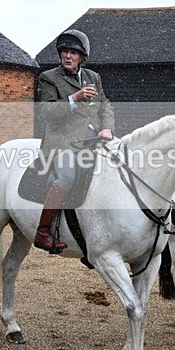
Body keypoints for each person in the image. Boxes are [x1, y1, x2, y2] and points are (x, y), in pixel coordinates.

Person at [33, 29, 115, 253]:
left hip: (93, 139)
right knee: (67, 177)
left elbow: (105, 105)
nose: (68, 56)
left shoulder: (93, 77)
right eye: (65, 52)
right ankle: (43, 231)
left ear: (82, 57)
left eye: (73, 53)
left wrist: (107, 127)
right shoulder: (49, 78)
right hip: (62, 142)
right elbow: (47, 112)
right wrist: (74, 99)